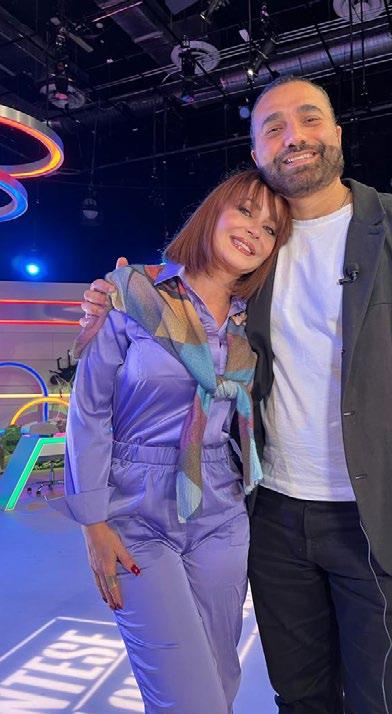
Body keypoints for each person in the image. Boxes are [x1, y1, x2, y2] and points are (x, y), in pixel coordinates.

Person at [79, 76, 392, 714]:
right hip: (270, 518)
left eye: (309, 119)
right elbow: (181, 310)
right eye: (273, 127)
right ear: (256, 152)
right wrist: (114, 295)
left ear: (337, 133)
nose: (294, 136)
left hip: (384, 521)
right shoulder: (252, 257)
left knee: (388, 701)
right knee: (300, 698)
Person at [58, 168, 292, 714]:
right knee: (187, 698)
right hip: (133, 508)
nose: (254, 231)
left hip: (222, 508)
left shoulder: (253, 319)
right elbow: (89, 409)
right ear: (213, 212)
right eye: (245, 211)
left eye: (270, 229)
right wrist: (93, 522)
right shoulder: (132, 293)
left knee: (220, 679)